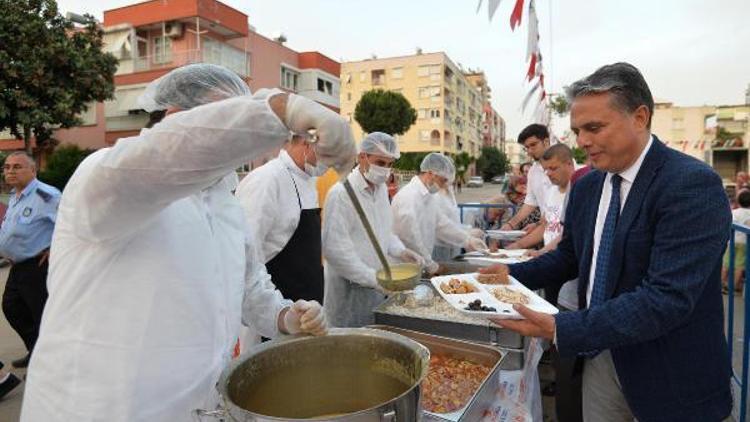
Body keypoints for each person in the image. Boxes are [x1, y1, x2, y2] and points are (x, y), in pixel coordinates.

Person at [21, 64, 354, 421]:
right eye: (225, 114)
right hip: (99, 408)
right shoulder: (108, 175)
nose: (236, 130)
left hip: (196, 408)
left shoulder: (226, 204)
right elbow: (167, 153)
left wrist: (287, 316)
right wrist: (278, 109)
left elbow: (249, 286)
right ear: (175, 115)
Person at [484, 62, 732, 421]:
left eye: (594, 128)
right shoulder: (587, 186)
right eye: (577, 130)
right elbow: (571, 256)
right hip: (602, 361)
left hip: (670, 373)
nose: (582, 141)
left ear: (640, 117)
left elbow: (666, 298)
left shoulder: (691, 184)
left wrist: (561, 328)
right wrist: (509, 274)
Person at [322, 132, 422, 328]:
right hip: (349, 292)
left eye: (390, 164)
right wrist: (374, 279)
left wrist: (401, 251)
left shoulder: (381, 190)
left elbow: (385, 232)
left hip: (376, 289)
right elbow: (336, 252)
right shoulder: (341, 194)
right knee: (349, 347)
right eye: (380, 163)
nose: (385, 170)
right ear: (362, 157)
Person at [236, 132, 327, 305]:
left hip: (306, 306)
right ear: (308, 144)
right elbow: (246, 256)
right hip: (274, 310)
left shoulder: (309, 180)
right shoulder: (267, 179)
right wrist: (277, 311)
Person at [0, 152, 60, 369]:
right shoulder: (16, 196)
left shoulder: (46, 195)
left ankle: (49, 365)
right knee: (12, 308)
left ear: (33, 170)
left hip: (37, 267)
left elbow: (69, 223)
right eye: (7, 167)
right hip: (18, 267)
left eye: (17, 167)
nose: (10, 171)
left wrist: (55, 247)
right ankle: (36, 352)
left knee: (41, 315)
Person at [391, 153, 487, 275]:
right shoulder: (408, 197)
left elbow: (442, 224)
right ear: (430, 173)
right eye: (443, 180)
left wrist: (466, 240)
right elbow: (410, 237)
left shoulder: (428, 197)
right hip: (405, 267)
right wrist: (430, 264)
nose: (443, 185)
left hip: (421, 264)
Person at [502, 125, 552, 251]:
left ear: (546, 142)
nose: (529, 151)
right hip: (546, 232)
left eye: (533, 145)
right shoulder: (533, 171)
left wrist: (518, 245)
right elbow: (530, 202)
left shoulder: (564, 166)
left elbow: (560, 213)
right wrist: (510, 224)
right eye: (526, 148)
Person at [723, 189, 750, 294]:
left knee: (726, 262)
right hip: (744, 242)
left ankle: (722, 283)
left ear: (738, 201)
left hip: (732, 240)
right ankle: (733, 286)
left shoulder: (734, 212)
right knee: (740, 265)